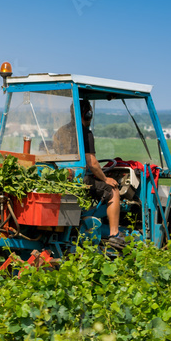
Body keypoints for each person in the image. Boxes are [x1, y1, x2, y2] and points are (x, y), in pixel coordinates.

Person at [70, 100, 125, 249]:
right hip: (81, 179)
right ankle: (115, 234)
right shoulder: (85, 133)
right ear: (87, 114)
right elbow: (92, 163)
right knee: (112, 189)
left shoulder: (61, 132)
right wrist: (105, 178)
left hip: (67, 178)